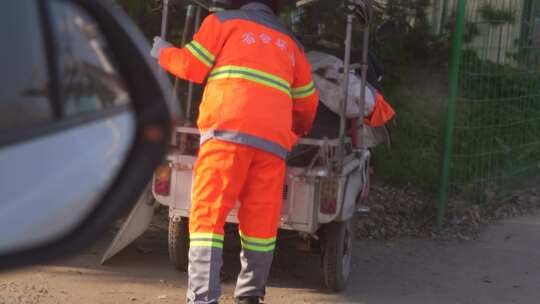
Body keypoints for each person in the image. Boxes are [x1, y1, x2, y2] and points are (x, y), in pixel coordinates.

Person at [150, 1, 319, 303]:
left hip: (226, 135)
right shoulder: (291, 44)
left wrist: (162, 51)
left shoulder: (222, 23)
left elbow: (190, 66)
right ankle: (250, 297)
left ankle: (203, 298)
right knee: (261, 227)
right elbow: (307, 105)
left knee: (208, 218)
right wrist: (296, 130)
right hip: (272, 146)